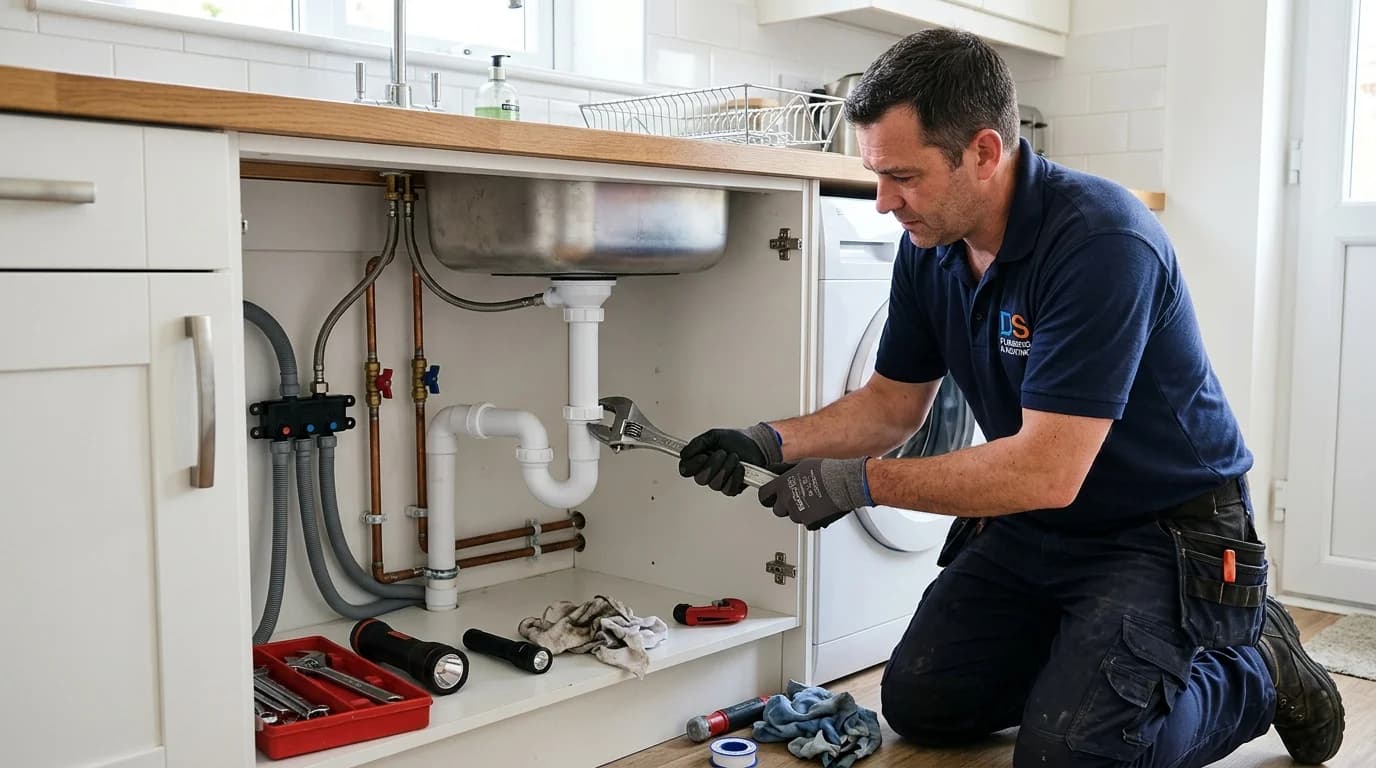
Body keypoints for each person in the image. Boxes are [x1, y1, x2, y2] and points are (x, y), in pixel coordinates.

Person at [678, 28, 1345, 768]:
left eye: (903, 176)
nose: (883, 202)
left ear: (984, 152)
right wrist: (769, 441)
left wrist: (858, 483)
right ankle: (1093, 662)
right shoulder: (930, 246)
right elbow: (892, 404)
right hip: (1034, 526)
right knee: (922, 705)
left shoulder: (1101, 241)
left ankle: (1256, 669)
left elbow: (1046, 471)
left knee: (1074, 758)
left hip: (1159, 533)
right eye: (876, 175)